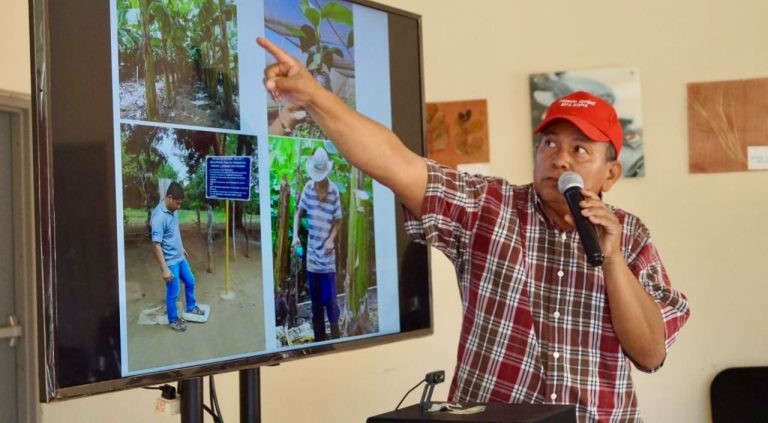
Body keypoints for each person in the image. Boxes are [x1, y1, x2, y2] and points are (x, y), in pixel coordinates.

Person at [256, 37, 690, 422]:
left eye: (580, 149)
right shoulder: (491, 207)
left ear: (610, 173)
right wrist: (313, 95)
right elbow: (395, 162)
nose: (560, 159)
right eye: (550, 143)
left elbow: (650, 354)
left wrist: (611, 259)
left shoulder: (629, 236)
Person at [293, 146, 343, 341]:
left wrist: (331, 239)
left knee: (330, 301)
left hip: (328, 257)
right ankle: (320, 342)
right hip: (312, 256)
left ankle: (337, 339)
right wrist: (295, 236)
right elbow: (298, 213)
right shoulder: (308, 188)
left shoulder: (333, 191)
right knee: (315, 304)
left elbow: (338, 220)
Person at [150, 182, 205, 332]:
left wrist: (181, 247)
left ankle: (191, 307)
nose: (179, 206)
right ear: (169, 197)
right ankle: (173, 319)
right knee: (173, 292)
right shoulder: (158, 217)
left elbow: (175, 231)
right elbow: (155, 245)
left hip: (179, 256)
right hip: (170, 261)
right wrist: (164, 269)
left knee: (190, 280)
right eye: (178, 203)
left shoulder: (173, 209)